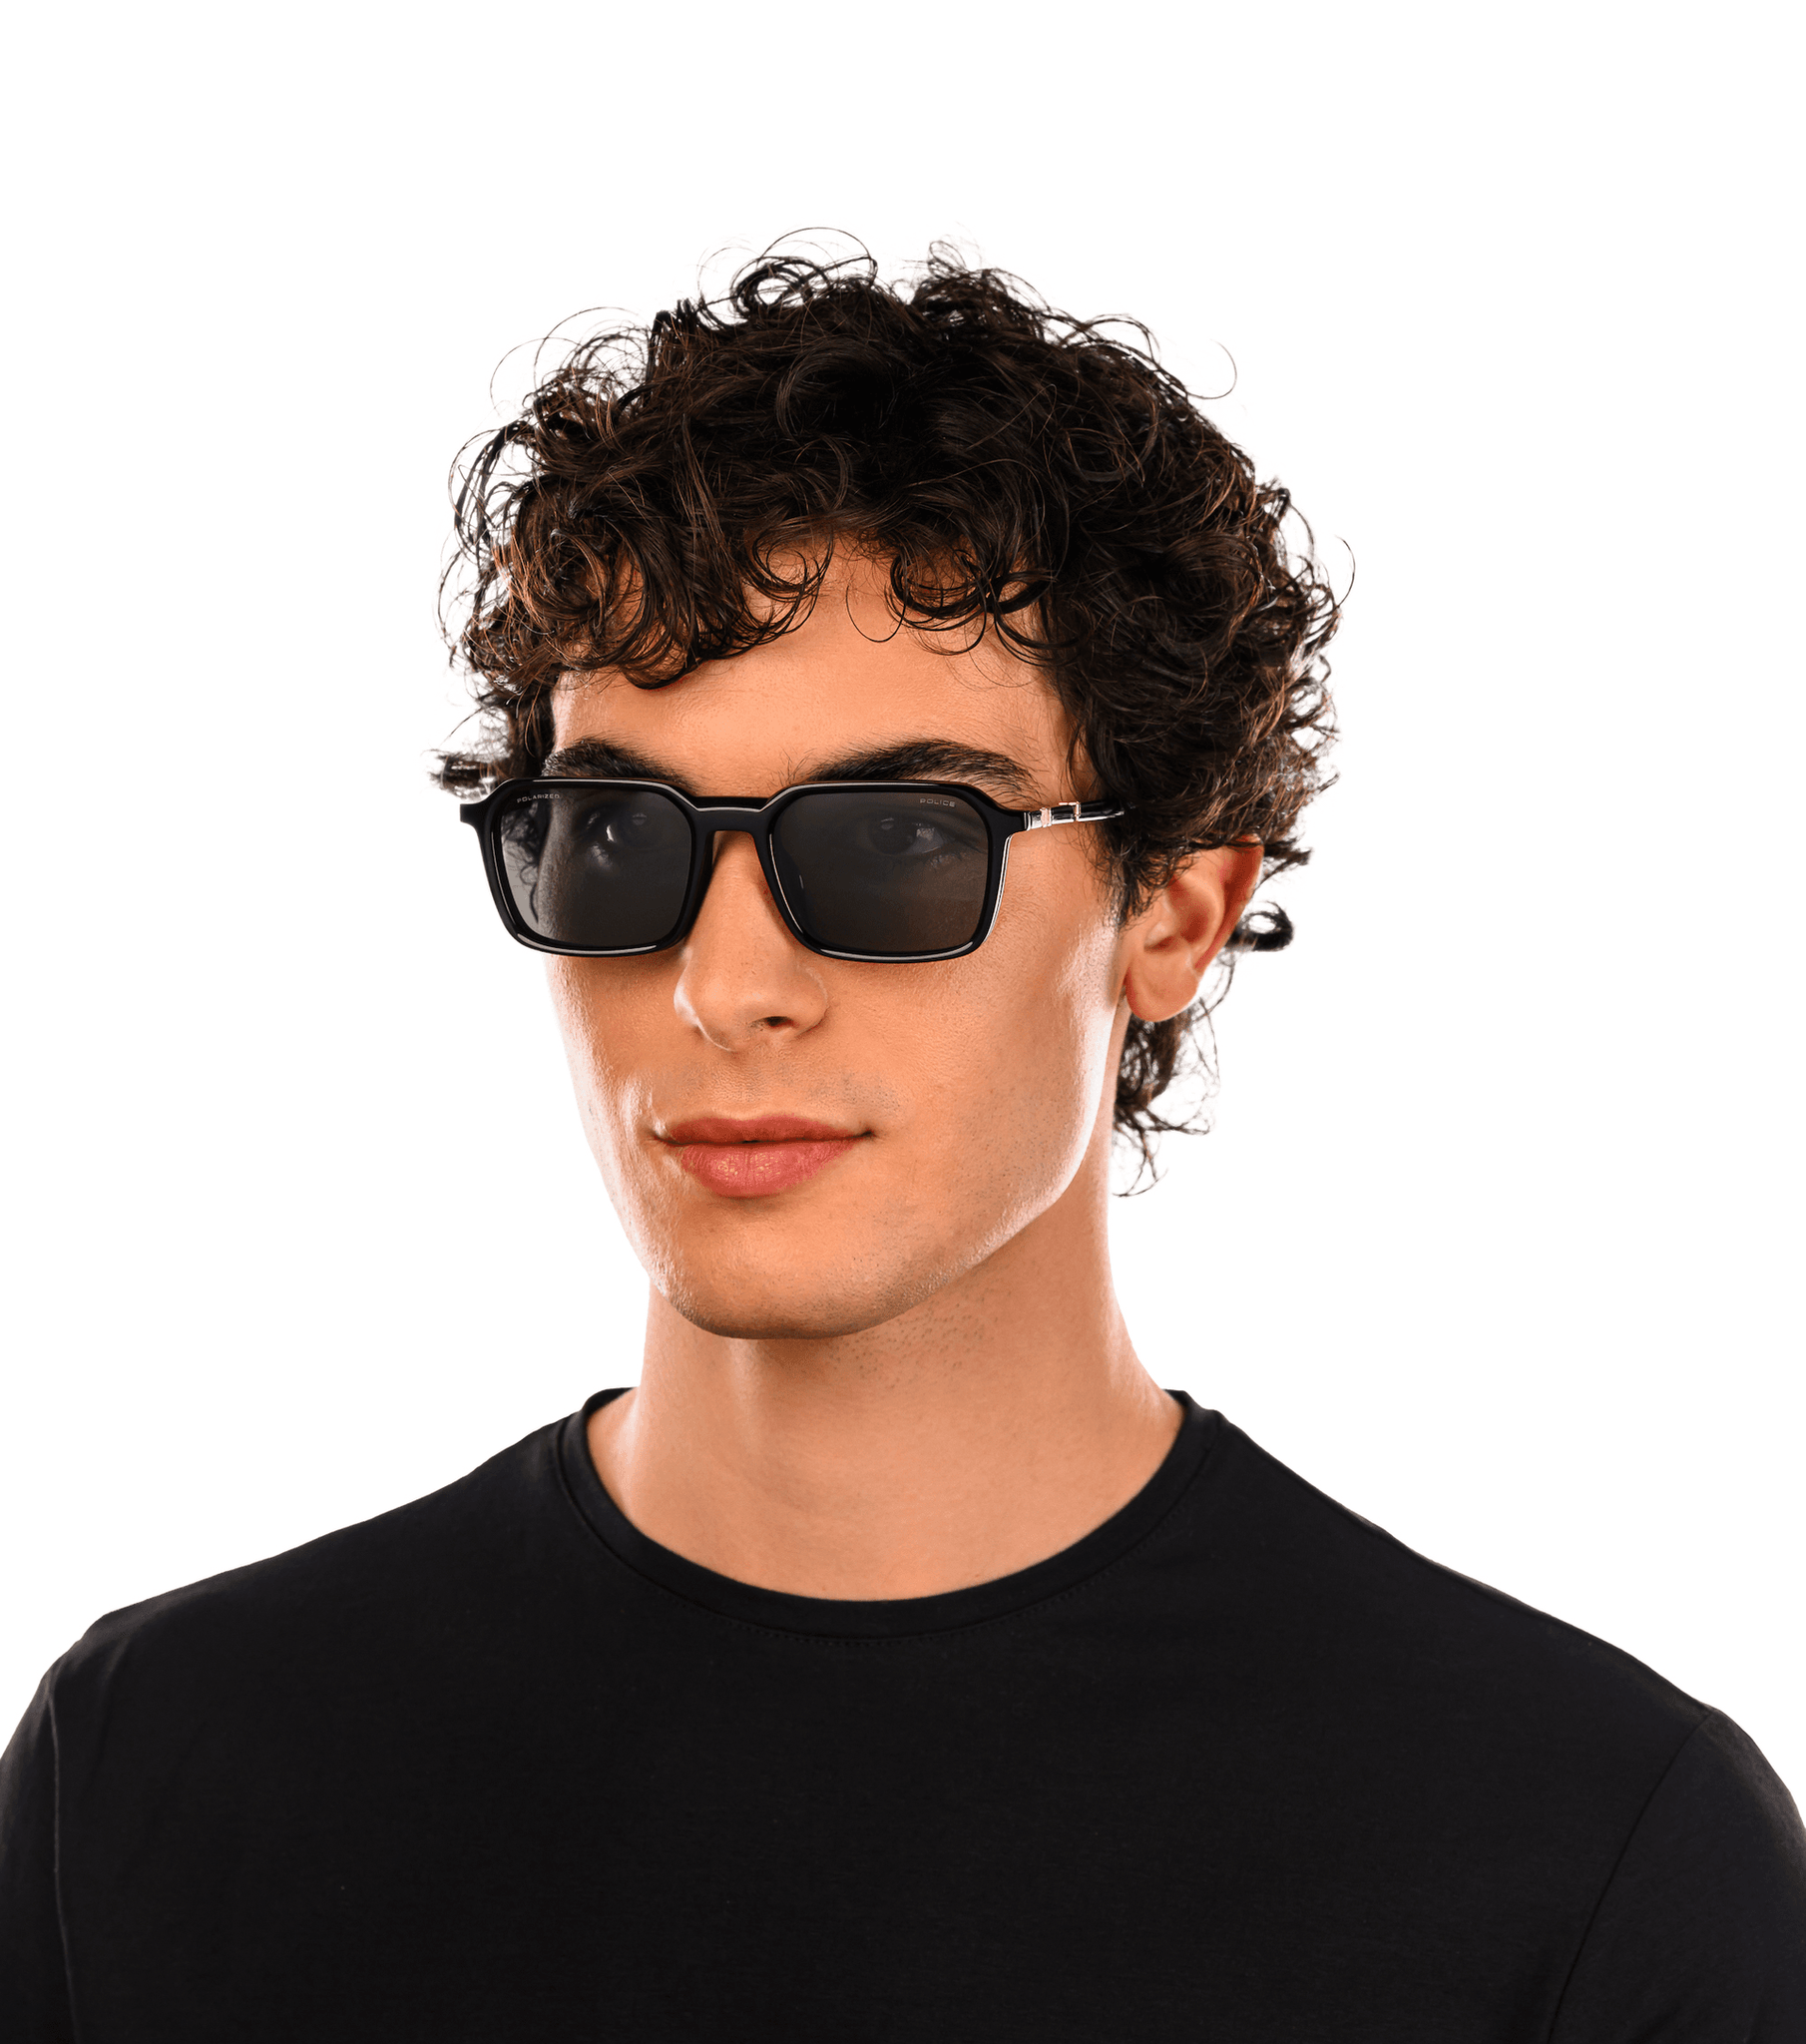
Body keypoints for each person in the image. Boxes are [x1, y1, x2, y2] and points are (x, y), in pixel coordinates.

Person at [3, 249, 1801, 2041]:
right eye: (616, 837)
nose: (725, 986)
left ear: (1172, 913)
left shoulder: (1586, 1864)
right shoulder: (152, 1767)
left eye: (895, 843)